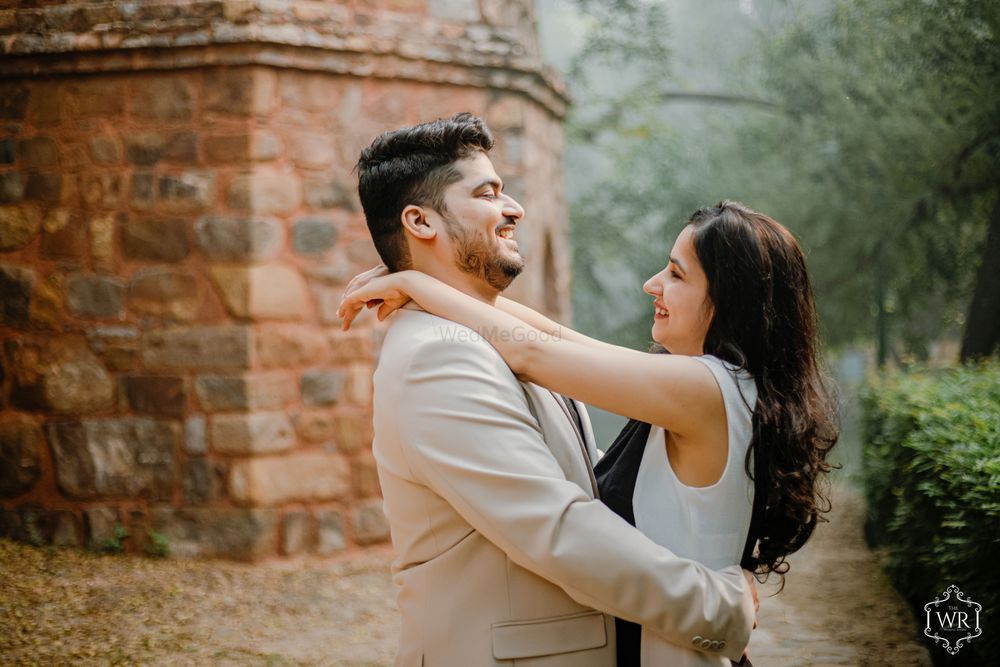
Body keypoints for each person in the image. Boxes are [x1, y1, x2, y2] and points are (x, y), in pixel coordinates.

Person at [340, 189, 839, 664]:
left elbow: (533, 351)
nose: (653, 284)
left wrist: (415, 284)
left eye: (676, 275)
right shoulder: (711, 386)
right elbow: (555, 336)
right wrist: (427, 281)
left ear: (728, 301)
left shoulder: (709, 390)